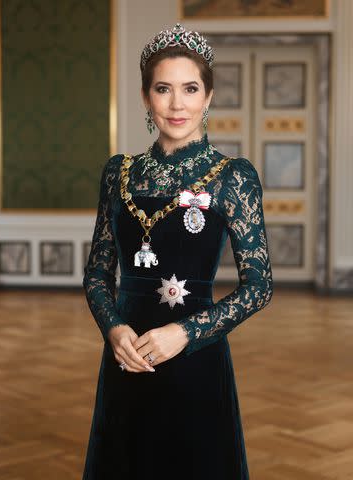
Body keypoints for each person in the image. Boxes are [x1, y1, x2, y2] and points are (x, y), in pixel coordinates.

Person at [81, 23, 273, 480]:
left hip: (196, 358)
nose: (176, 103)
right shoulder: (119, 173)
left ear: (207, 97)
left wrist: (184, 334)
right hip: (127, 356)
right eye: (163, 88)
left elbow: (259, 286)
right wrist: (113, 329)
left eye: (190, 88)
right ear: (147, 97)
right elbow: (96, 275)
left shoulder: (233, 176)